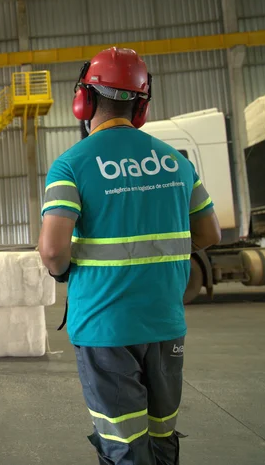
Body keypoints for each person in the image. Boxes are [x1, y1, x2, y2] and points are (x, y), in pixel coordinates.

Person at [38, 47, 222, 465]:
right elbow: (209, 232)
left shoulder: (70, 165)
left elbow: (52, 250)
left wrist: (66, 271)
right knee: (162, 434)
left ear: (83, 100)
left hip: (105, 327)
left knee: (124, 442)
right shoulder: (176, 162)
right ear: (141, 107)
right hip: (165, 324)